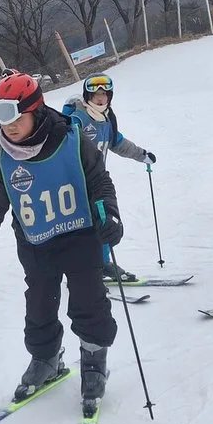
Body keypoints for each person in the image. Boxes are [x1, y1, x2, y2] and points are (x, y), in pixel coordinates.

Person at [0, 72, 120, 409]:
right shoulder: (1, 157)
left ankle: (93, 358)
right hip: (36, 242)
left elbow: (100, 182)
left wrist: (108, 214)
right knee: (39, 305)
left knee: (89, 300)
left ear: (36, 110)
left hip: (80, 236)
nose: (7, 126)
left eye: (14, 116)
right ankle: (46, 359)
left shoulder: (71, 138)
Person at [62, 73, 156, 282]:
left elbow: (118, 143)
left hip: (97, 181)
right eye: (95, 94)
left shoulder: (107, 120)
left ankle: (103, 264)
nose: (100, 98)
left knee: (104, 220)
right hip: (74, 183)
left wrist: (142, 155)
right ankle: (80, 272)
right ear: (87, 96)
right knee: (80, 228)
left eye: (104, 94)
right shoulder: (78, 119)